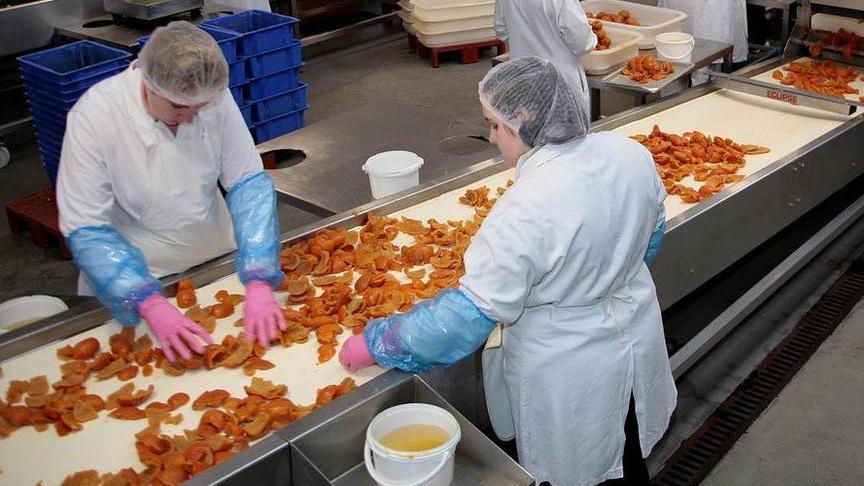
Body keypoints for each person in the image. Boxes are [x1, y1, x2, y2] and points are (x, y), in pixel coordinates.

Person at [339, 57, 675, 486]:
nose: (494, 139)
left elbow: (466, 317)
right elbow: (653, 233)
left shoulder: (527, 207)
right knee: (625, 447)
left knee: (582, 467)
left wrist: (380, 342)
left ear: (527, 123)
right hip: (634, 330)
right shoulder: (627, 151)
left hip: (569, 365)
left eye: (496, 126)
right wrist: (603, 276)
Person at [57, 22, 286, 362]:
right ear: (148, 85)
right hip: (141, 276)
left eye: (201, 107)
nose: (193, 117)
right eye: (180, 108)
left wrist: (258, 276)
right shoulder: (96, 117)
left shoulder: (209, 94)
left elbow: (247, 183)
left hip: (213, 258)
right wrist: (148, 303)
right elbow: (87, 229)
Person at [494, 0, 597, 108]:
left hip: (523, 76)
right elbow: (582, 42)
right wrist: (593, 39)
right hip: (560, 81)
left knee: (527, 119)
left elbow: (501, 30)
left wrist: (523, 41)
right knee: (563, 121)